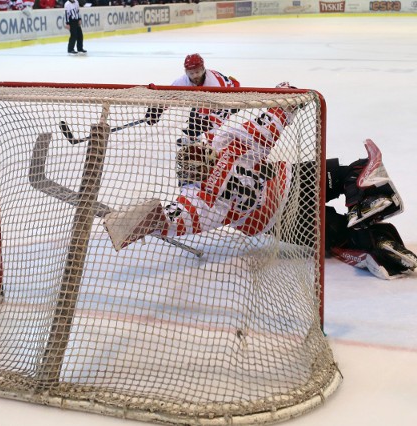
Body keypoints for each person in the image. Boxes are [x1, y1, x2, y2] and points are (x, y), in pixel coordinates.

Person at [104, 83, 416, 280]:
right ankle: (380, 231)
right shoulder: (213, 162)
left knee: (348, 187)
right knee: (344, 209)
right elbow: (263, 127)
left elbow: (173, 218)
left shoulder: (200, 188)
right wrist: (284, 102)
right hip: (290, 205)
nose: (194, 162)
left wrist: (140, 222)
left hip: (290, 198)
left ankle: (372, 210)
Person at [146, 53, 241, 146]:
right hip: (207, 97)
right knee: (196, 115)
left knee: (208, 121)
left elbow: (221, 109)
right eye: (191, 73)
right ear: (186, 72)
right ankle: (193, 138)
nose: (195, 76)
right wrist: (157, 109)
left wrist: (207, 122)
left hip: (231, 96)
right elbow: (169, 96)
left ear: (203, 69)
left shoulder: (213, 83)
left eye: (197, 72)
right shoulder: (183, 81)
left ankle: (211, 146)